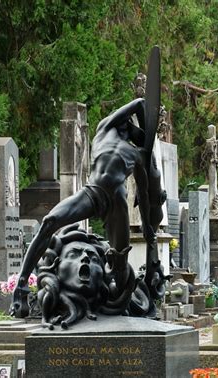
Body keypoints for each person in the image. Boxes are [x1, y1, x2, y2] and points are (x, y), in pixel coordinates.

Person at [10, 98, 165, 318]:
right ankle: (22, 285)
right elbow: (141, 102)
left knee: (120, 263)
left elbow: (142, 192)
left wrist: (148, 226)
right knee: (49, 222)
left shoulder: (138, 155)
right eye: (132, 127)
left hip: (117, 204)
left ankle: (119, 303)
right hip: (92, 193)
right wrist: (149, 131)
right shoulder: (105, 129)